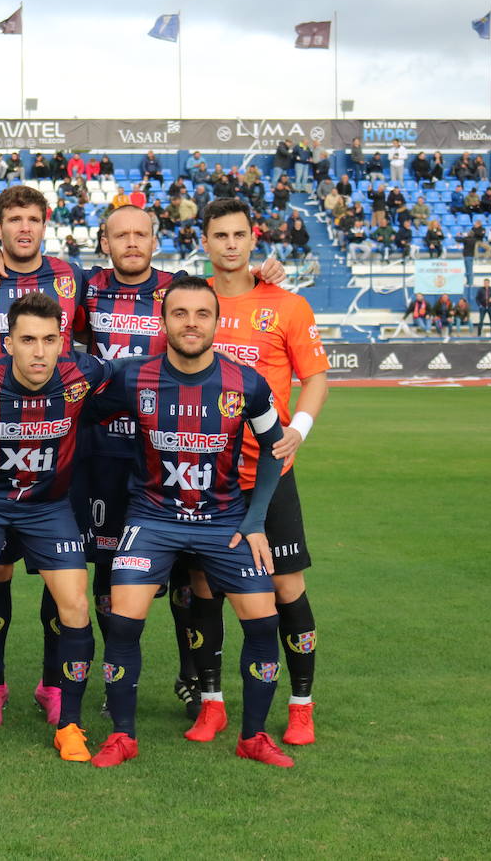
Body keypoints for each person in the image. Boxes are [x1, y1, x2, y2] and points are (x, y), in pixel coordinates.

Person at [88, 274, 292, 769]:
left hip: (223, 521)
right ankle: (122, 736)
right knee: (122, 623)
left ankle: (253, 737)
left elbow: (273, 447)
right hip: (152, 517)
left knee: (264, 626)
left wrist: (258, 518)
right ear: (164, 321)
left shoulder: (246, 382)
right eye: (180, 313)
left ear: (216, 322)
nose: (191, 323)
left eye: (202, 314)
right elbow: (80, 416)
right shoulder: (132, 377)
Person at [0, 292, 111, 767]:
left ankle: (70, 725)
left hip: (48, 506)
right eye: (28, 340)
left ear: (63, 342)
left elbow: (132, 379)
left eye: (50, 340)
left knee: (75, 605)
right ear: (7, 343)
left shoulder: (85, 373)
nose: (39, 351)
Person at [188, 197, 330, 750]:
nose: (229, 244)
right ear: (205, 242)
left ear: (253, 239)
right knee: (203, 587)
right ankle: (211, 705)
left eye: (238, 235)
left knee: (286, 586)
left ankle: (300, 706)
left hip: (268, 470)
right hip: (201, 472)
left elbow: (315, 376)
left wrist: (298, 427)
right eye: (219, 235)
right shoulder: (189, 302)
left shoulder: (287, 305)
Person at [0, 184, 88, 729]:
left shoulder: (73, 274)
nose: (24, 228)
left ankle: (54, 684)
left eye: (33, 218)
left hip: (57, 443)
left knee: (64, 581)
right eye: (14, 220)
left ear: (45, 223)